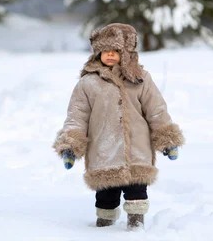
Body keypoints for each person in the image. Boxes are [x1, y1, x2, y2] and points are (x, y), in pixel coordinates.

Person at [53, 23, 184, 230]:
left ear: (127, 53)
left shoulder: (140, 79)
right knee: (106, 196)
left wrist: (167, 138)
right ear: (98, 53)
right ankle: (104, 226)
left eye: (116, 51)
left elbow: (156, 110)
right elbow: (76, 116)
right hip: (103, 152)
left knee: (137, 194)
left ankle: (136, 225)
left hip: (137, 151)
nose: (111, 55)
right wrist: (71, 145)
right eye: (106, 51)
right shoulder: (88, 83)